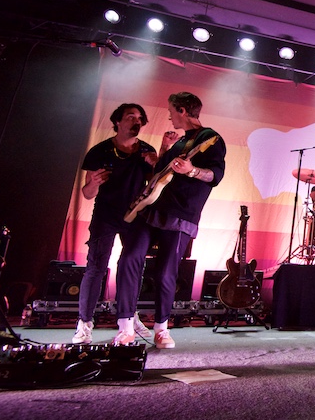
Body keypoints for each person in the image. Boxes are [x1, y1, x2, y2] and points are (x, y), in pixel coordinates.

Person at [114, 92, 226, 348]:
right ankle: (125, 325)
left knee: (167, 271)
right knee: (130, 258)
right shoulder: (179, 142)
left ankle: (162, 328)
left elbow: (216, 175)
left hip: (180, 213)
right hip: (151, 208)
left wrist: (193, 170)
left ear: (183, 111)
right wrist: (163, 150)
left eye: (172, 110)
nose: (169, 115)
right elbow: (158, 174)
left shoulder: (211, 139)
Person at [72, 104, 157, 344]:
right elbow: (88, 193)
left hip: (136, 217)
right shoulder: (100, 151)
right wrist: (94, 183)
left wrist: (157, 165)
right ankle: (84, 323)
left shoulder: (147, 152)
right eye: (131, 116)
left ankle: (128, 318)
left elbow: (155, 188)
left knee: (132, 267)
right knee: (96, 268)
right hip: (106, 216)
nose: (136, 121)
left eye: (140, 118)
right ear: (117, 121)